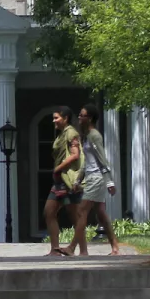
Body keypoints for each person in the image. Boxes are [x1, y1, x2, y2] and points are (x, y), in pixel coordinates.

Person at [70, 105, 123, 256]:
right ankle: (115, 247)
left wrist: (109, 181)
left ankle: (72, 248)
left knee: (81, 211)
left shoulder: (95, 136)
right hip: (92, 176)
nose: (79, 118)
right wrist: (78, 180)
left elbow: (102, 159)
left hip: (97, 177)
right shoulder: (87, 136)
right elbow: (87, 162)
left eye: (82, 115)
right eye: (79, 115)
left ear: (90, 118)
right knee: (100, 213)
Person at [43, 107, 83, 256]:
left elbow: (75, 155)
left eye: (56, 118)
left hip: (67, 181)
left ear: (65, 118)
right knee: (49, 212)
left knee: (75, 216)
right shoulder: (62, 135)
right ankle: (55, 250)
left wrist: (57, 168)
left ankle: (75, 248)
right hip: (59, 182)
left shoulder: (71, 133)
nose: (54, 120)